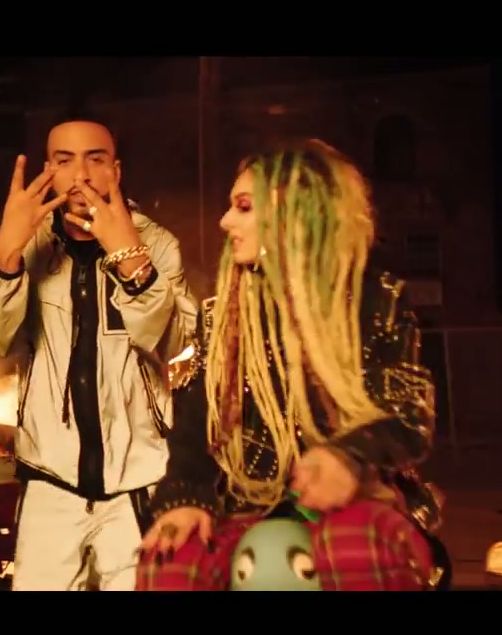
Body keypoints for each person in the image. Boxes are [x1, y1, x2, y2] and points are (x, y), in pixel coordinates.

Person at [137, 138, 448, 591]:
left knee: (352, 550)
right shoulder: (223, 314)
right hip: (244, 507)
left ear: (297, 215)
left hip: (352, 502)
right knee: (172, 560)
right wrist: (185, 497)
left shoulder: (375, 300)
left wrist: (349, 457)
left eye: (244, 207)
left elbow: (408, 414)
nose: (225, 221)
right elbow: (195, 429)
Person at [0, 118, 198, 591]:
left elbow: (175, 341)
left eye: (95, 159)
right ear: (48, 171)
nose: (81, 176)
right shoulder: (30, 242)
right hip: (50, 481)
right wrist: (6, 254)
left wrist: (132, 262)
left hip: (137, 480)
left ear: (116, 170)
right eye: (65, 161)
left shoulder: (156, 243)